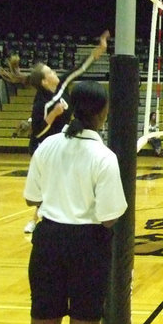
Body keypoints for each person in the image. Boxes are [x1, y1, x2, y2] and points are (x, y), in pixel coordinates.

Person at [20, 80, 127, 324]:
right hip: (88, 245)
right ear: (102, 113)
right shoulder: (103, 157)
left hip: (48, 242)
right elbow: (109, 217)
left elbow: (32, 199)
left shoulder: (48, 146)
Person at [23, 31, 109, 233]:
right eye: (50, 72)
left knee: (58, 185)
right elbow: (37, 131)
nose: (54, 73)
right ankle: (35, 220)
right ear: (45, 82)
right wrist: (53, 114)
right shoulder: (41, 104)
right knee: (47, 188)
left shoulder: (62, 84)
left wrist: (100, 50)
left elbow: (80, 68)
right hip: (43, 146)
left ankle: (41, 218)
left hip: (63, 142)